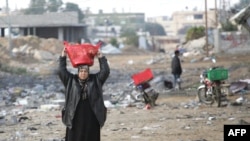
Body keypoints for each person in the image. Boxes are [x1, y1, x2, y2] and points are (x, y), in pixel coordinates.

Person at [57, 46, 110, 141]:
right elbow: (61, 71)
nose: (83, 73)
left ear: (88, 72)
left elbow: (105, 71)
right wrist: (63, 57)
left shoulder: (96, 80)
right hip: (74, 115)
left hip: (92, 114)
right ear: (78, 72)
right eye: (81, 71)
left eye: (85, 71)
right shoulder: (71, 80)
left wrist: (101, 58)